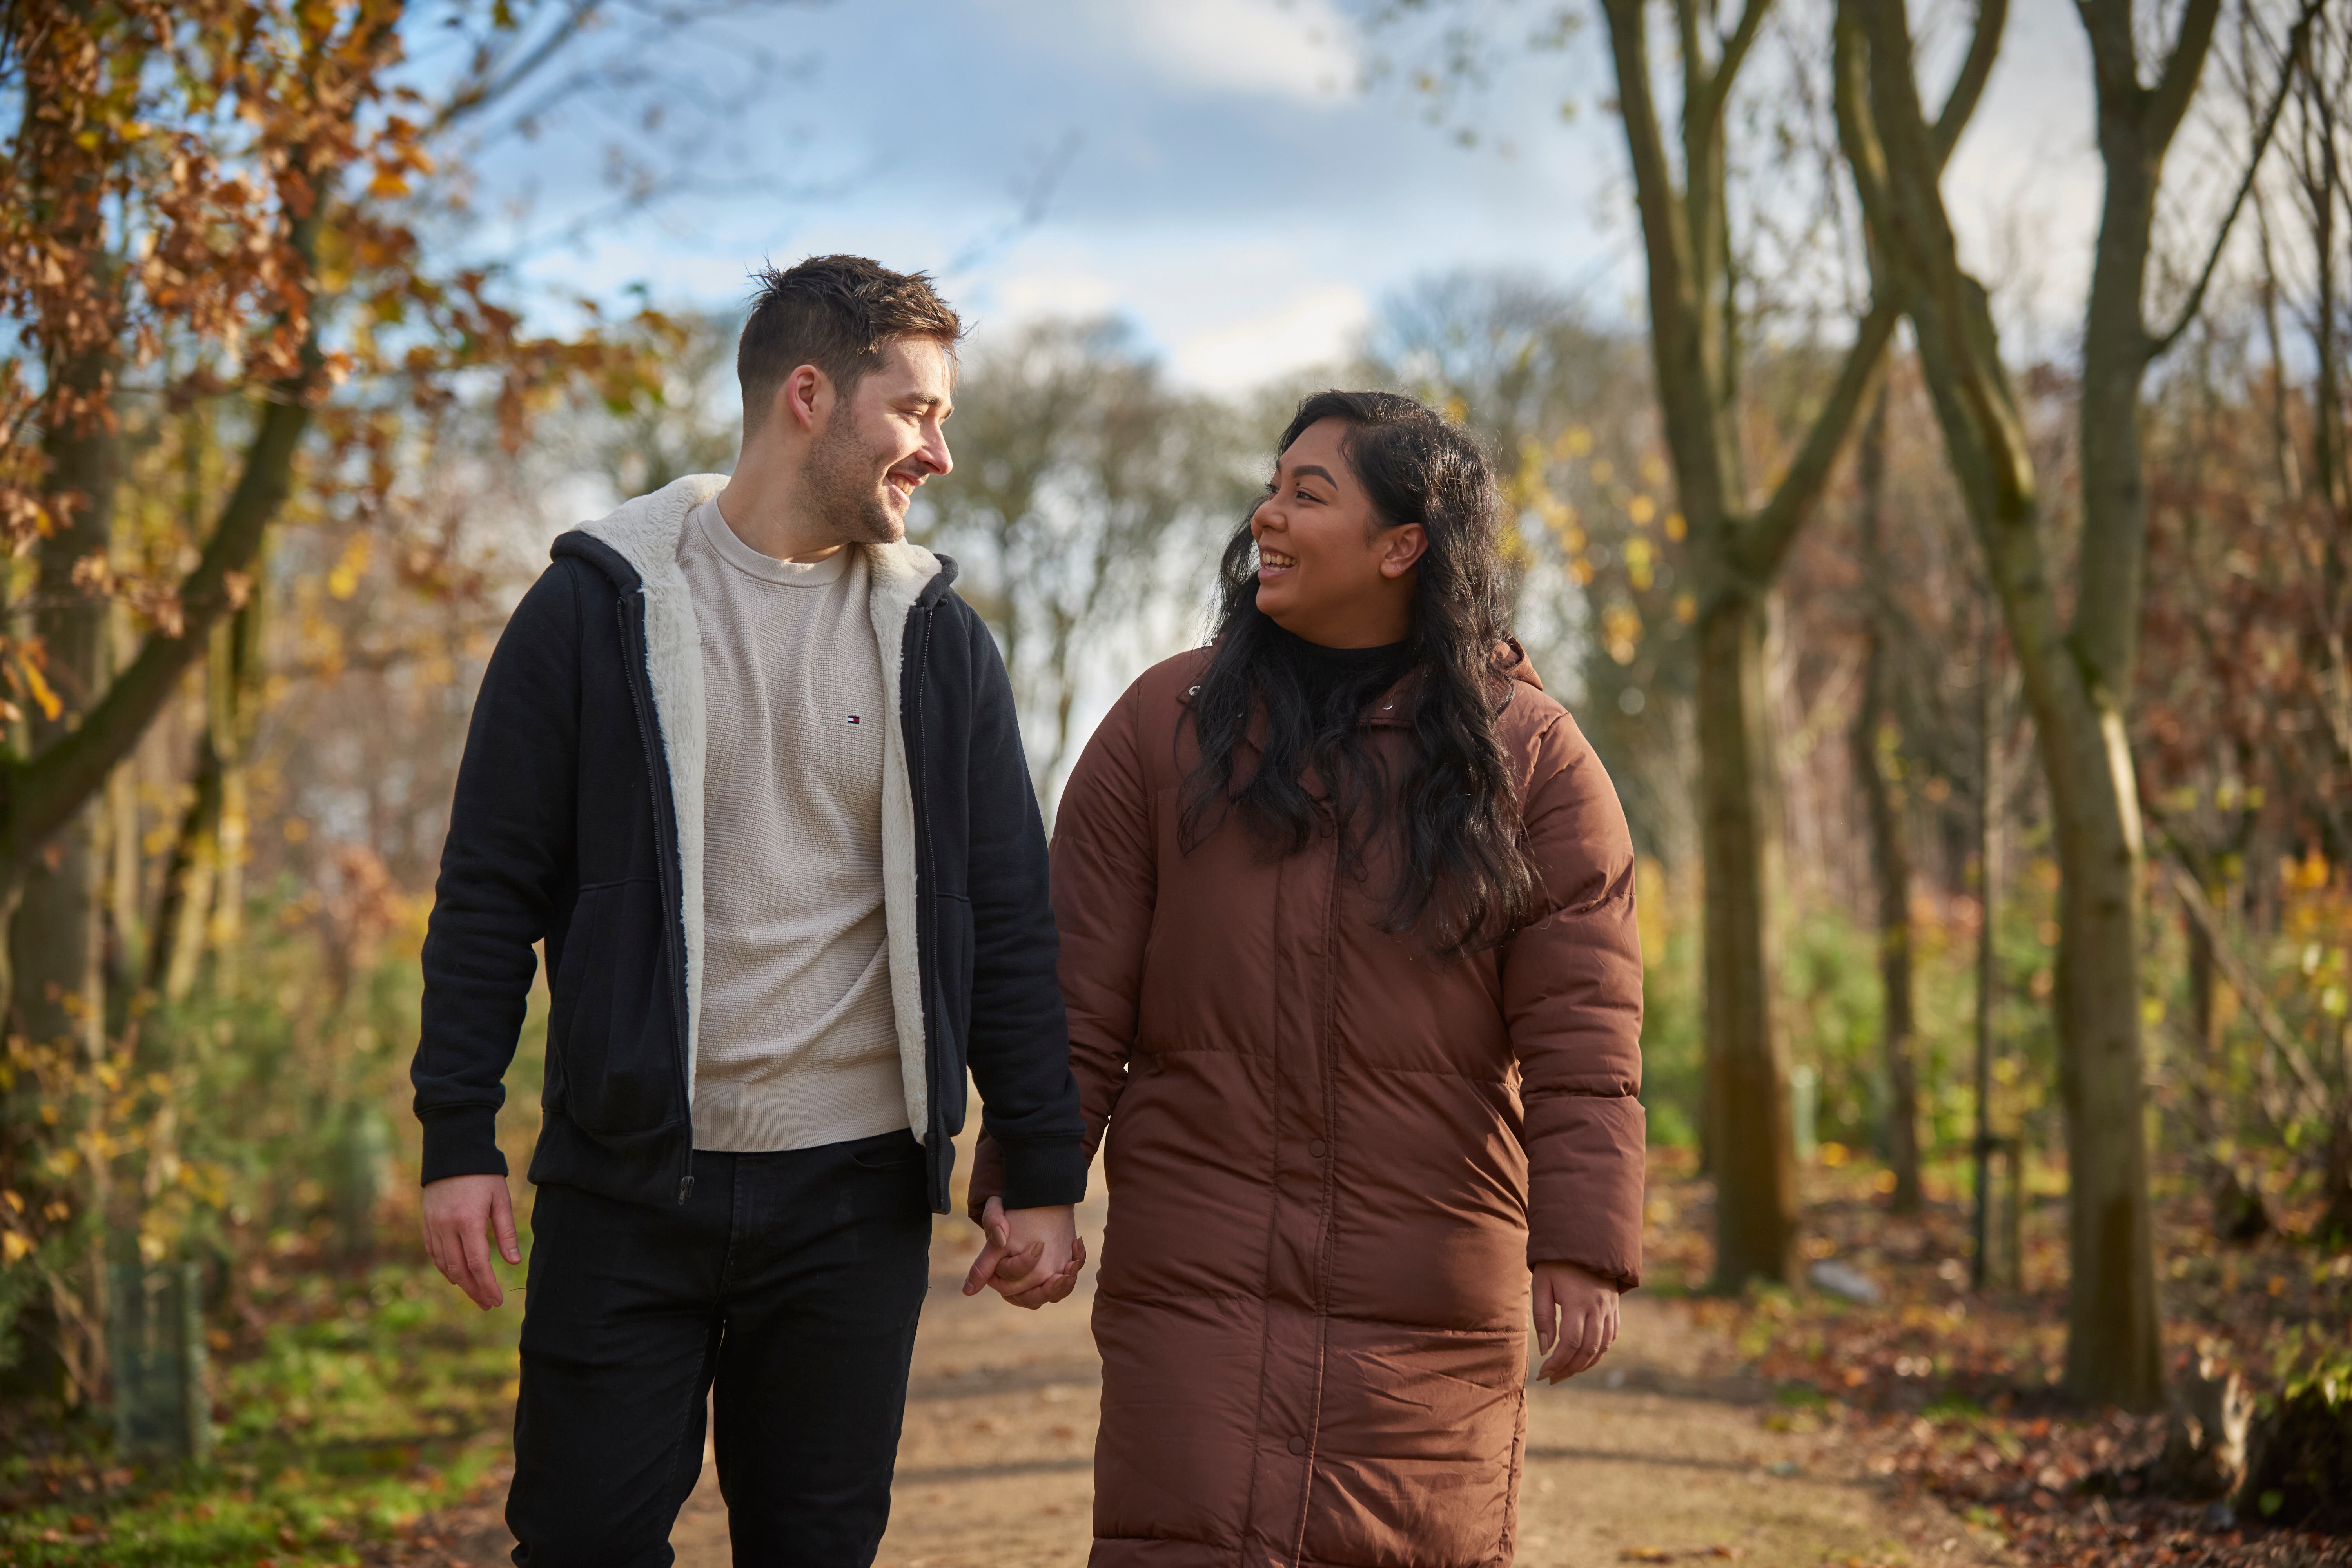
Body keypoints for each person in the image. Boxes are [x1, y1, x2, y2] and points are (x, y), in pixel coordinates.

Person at [410, 254, 1085, 1568]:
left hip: (851, 1201)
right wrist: (457, 1132)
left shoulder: (943, 643)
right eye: (918, 411)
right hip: (626, 1183)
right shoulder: (591, 609)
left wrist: (1044, 1167)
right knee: (579, 1545)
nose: (939, 452)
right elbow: (491, 885)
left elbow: (1005, 919)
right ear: (810, 395)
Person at [967, 390, 1646, 1567]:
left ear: (1403, 545)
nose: (1266, 515)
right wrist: (1036, 1183)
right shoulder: (1159, 726)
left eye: (1307, 493)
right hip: (1195, 1274)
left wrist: (1582, 1243)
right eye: (1271, 486)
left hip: (1429, 1289)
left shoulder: (1532, 755)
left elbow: (1586, 1034)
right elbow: (1074, 988)